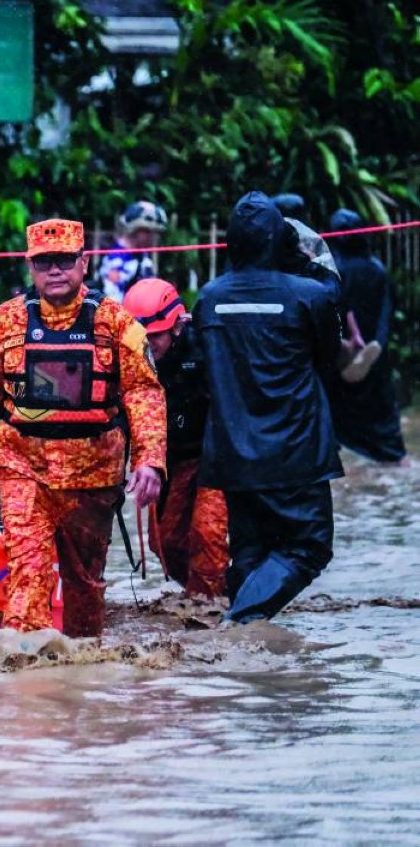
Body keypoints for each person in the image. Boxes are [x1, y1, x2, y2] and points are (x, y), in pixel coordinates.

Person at [0, 218, 166, 637]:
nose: (55, 270)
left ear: (83, 263)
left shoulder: (116, 323)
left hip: (94, 475)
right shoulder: (4, 323)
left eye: (64, 260)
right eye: (44, 261)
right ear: (30, 267)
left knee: (85, 586)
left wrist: (150, 460)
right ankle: (28, 683)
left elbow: (144, 393)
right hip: (23, 468)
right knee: (27, 574)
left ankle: (78, 682)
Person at [195, 191, 344, 624]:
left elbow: (205, 365)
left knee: (250, 549)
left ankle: (245, 679)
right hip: (295, 451)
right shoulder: (309, 296)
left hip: (234, 453)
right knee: (308, 547)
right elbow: (328, 357)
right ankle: (237, 626)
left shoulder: (209, 297)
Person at [122, 278, 228, 599]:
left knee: (207, 535)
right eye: (141, 337)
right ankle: (209, 596)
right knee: (165, 543)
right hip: (168, 460)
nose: (147, 345)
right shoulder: (128, 356)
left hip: (213, 456)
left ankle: (209, 613)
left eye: (155, 336)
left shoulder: (209, 347)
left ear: (177, 328)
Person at [326, 209, 407, 465]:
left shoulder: (333, 271)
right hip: (374, 355)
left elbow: (330, 311)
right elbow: (388, 311)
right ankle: (394, 457)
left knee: (341, 413)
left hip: (341, 356)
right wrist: (380, 344)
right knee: (381, 411)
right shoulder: (377, 269)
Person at [94, 200, 167, 302]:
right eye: (151, 232)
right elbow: (114, 303)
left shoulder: (140, 254)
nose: (155, 237)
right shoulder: (117, 260)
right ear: (138, 230)